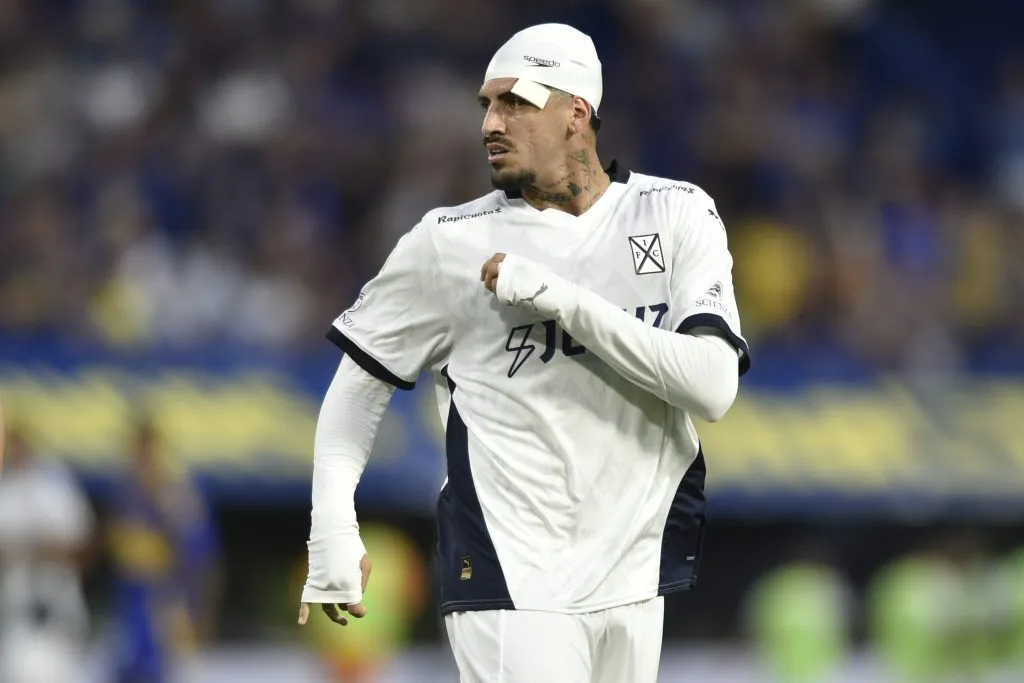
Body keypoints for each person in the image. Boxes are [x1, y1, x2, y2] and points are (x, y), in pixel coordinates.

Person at [298, 22, 750, 683]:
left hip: (632, 570)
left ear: (577, 113)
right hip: (509, 570)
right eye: (486, 103)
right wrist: (332, 525)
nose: (490, 122)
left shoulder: (676, 213)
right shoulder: (447, 243)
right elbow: (357, 386)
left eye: (516, 102)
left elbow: (712, 387)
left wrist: (564, 301)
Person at [105, 419, 221, 683]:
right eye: (136, 452)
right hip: (131, 618)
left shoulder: (179, 498)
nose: (140, 461)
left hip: (170, 615)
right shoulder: (125, 498)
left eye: (146, 452)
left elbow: (202, 563)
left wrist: (201, 613)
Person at [0, 426, 94, 683]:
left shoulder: (56, 491)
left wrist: (44, 549)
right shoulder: (4, 491)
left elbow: (84, 549)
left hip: (59, 608)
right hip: (16, 609)